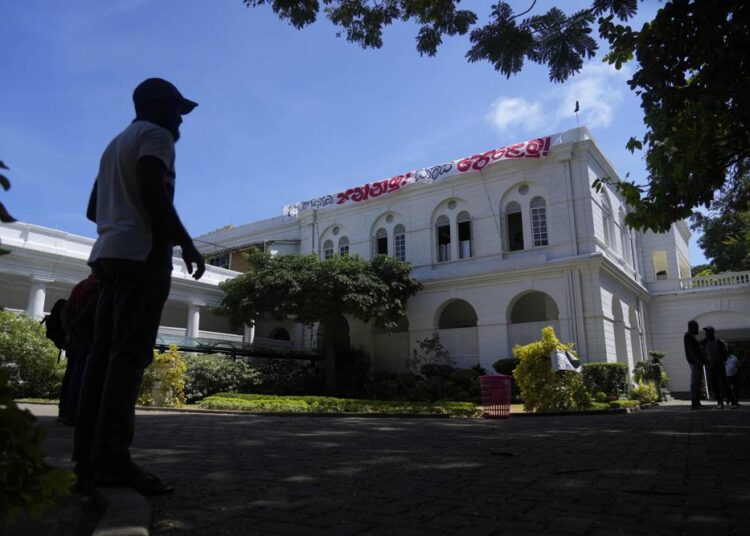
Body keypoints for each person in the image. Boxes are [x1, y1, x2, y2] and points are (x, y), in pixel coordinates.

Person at [74, 78, 205, 495]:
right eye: (177, 111)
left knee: (102, 355)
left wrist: (120, 220)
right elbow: (152, 188)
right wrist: (185, 243)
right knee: (127, 358)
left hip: (108, 255)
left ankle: (86, 458)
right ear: (159, 108)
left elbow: (94, 207)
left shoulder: (115, 144)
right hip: (141, 256)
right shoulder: (157, 135)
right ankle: (112, 460)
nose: (180, 121)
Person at [701, 325, 730, 409]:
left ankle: (733, 400)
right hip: (711, 367)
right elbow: (700, 349)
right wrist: (705, 361)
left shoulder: (719, 341)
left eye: (707, 331)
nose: (706, 333)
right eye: (705, 332)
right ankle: (720, 402)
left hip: (719, 365)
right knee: (714, 385)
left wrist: (722, 361)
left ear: (712, 332)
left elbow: (725, 352)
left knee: (725, 383)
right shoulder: (705, 342)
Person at [683, 320, 705, 409]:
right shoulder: (688, 336)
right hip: (695, 362)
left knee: (697, 382)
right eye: (696, 327)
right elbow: (691, 350)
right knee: (695, 383)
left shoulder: (690, 336)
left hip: (696, 362)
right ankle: (695, 404)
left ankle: (697, 403)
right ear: (692, 327)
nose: (698, 329)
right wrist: (697, 361)